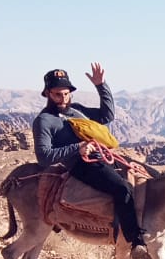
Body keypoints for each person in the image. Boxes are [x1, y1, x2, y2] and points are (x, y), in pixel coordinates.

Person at [32, 63, 142, 245]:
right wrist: (78, 147)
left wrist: (101, 85)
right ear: (48, 94)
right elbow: (44, 156)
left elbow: (107, 116)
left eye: (66, 93)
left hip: (102, 155)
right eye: (58, 94)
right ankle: (136, 241)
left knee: (149, 176)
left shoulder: (77, 110)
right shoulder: (44, 121)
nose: (63, 98)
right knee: (122, 189)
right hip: (81, 165)